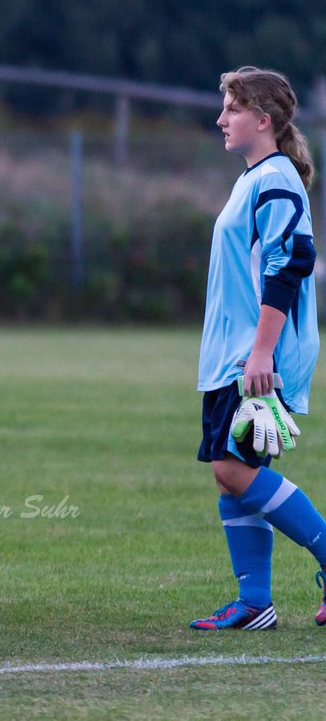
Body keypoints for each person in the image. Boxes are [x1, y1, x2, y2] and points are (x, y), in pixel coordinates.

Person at [189, 66, 326, 631]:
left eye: (232, 109)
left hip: (256, 354)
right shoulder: (255, 177)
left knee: (231, 466)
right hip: (237, 354)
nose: (221, 118)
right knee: (232, 471)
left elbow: (290, 263)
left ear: (263, 120)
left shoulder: (274, 177)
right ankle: (254, 603)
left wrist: (261, 354)